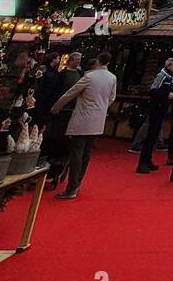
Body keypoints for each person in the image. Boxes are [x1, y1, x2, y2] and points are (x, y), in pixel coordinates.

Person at [50, 52, 117, 201]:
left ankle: (72, 187)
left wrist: (56, 107)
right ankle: (77, 182)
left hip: (84, 117)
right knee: (87, 153)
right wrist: (102, 108)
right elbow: (112, 98)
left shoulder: (89, 77)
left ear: (98, 61)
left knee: (77, 152)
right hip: (98, 119)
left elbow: (70, 93)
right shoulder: (112, 78)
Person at [41, 51, 82, 190]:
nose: (79, 61)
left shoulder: (80, 75)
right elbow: (57, 93)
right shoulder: (62, 75)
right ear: (70, 60)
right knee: (53, 141)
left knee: (63, 145)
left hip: (71, 113)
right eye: (77, 59)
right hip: (60, 112)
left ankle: (55, 173)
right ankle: (48, 172)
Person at [136, 57, 173, 174]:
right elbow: (153, 90)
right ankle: (142, 163)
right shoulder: (162, 76)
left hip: (161, 109)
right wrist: (166, 95)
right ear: (168, 66)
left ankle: (148, 160)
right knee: (150, 136)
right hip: (156, 108)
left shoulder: (170, 78)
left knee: (154, 136)